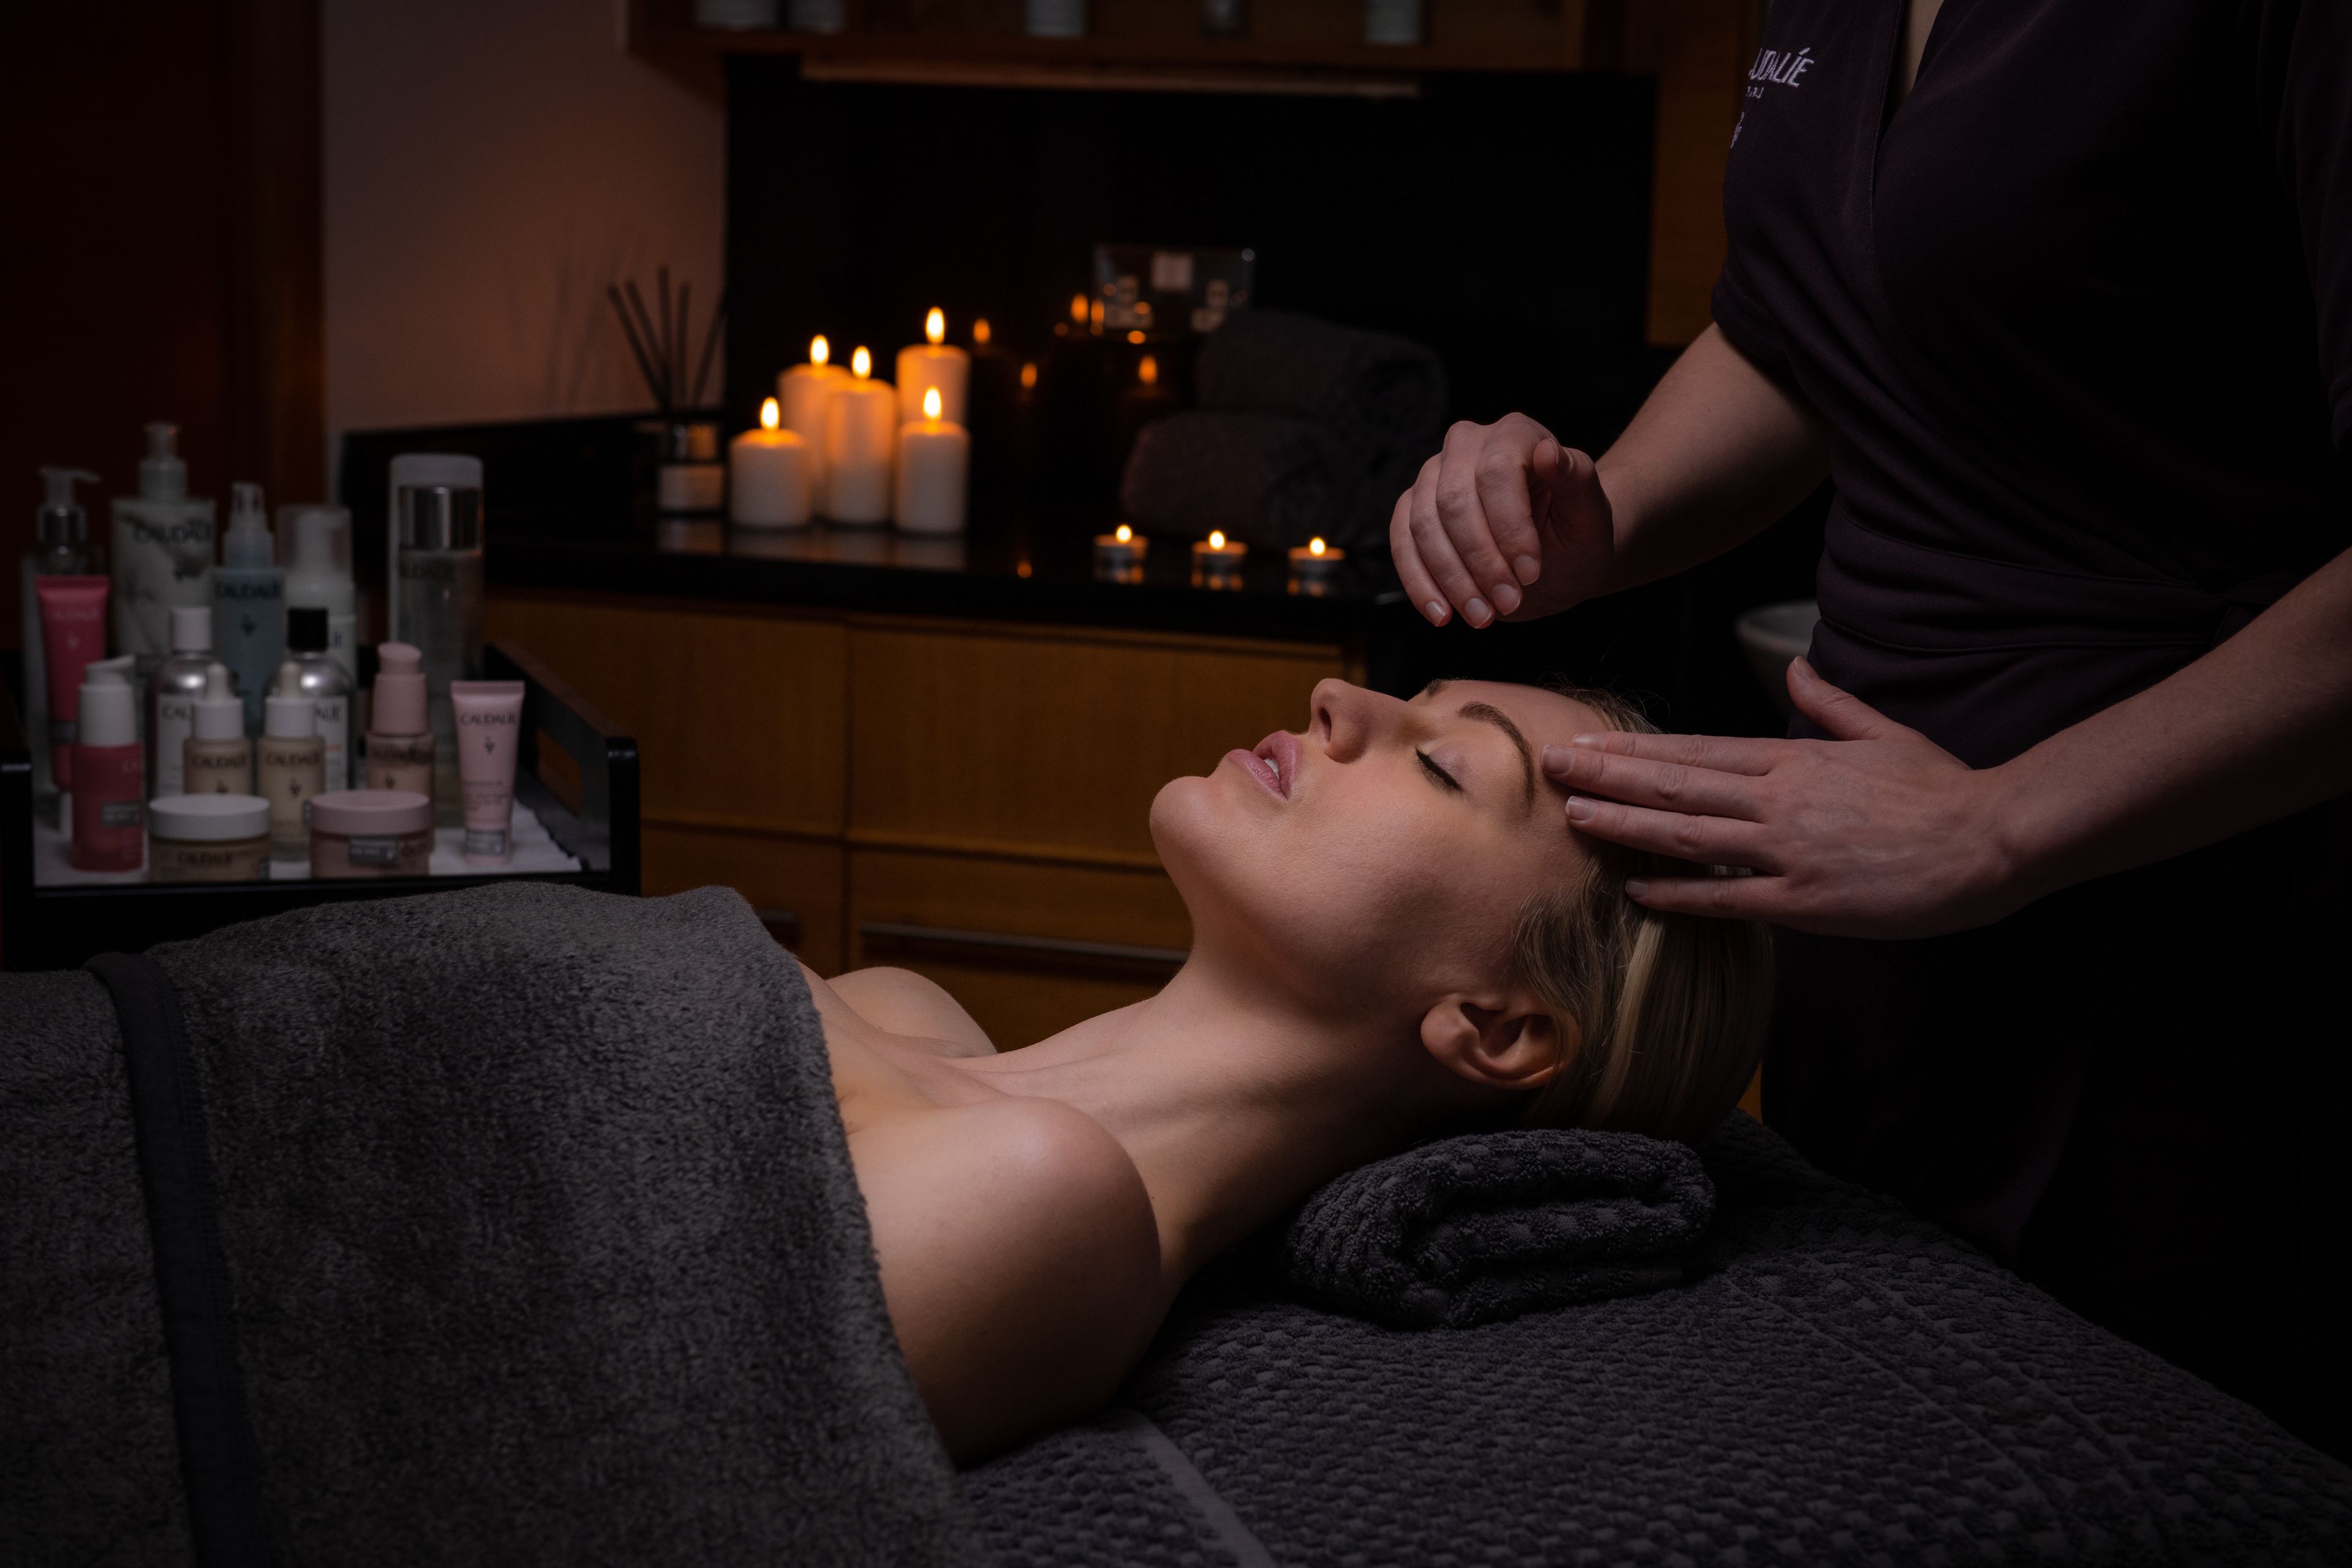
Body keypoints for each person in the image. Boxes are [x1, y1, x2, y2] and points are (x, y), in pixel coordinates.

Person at [1388, 0, 2351, 1453]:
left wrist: (2002, 824)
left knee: (2173, 1457)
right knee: (1890, 1427)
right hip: (1874, 903)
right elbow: (1803, 328)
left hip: (2188, 911)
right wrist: (1613, 517)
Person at [812, 677, 1771, 1462]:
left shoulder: (1045, 1201)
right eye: (1413, 696)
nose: (1338, 698)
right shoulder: (900, 1010)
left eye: (1442, 767)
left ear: (1497, 1028)